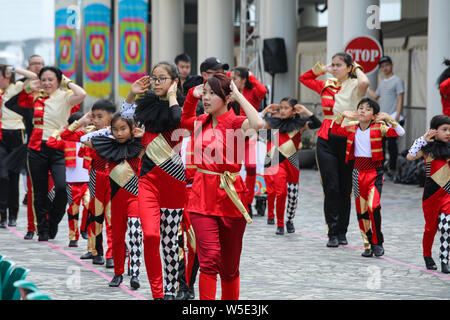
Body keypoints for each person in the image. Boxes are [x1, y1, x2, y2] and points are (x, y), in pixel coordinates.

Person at [180, 74, 264, 300]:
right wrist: (191, 95)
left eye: (211, 94)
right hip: (201, 198)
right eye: (204, 93)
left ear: (227, 97)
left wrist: (239, 96)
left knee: (229, 267)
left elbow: (257, 123)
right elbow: (184, 119)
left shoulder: (237, 124)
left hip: (231, 197)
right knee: (208, 261)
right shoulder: (200, 122)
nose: (205, 98)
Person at [121, 62, 186, 300]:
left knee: (170, 241)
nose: (157, 83)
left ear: (174, 81)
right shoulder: (145, 104)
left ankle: (171, 290)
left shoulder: (181, 105)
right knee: (150, 235)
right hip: (147, 179)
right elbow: (125, 119)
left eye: (162, 78)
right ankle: (157, 293)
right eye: (154, 79)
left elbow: (178, 120)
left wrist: (172, 96)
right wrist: (131, 92)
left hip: (175, 180)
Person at [299, 52, 370, 248]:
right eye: (334, 64)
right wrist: (323, 69)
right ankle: (332, 230)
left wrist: (356, 67)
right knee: (331, 186)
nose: (335, 68)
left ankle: (342, 231)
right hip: (326, 138)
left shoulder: (355, 84)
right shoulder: (326, 84)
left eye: (339, 65)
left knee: (345, 188)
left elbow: (365, 83)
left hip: (347, 138)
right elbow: (304, 78)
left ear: (349, 68)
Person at [16, 66, 86, 241]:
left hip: (59, 147)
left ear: (58, 81)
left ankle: (53, 222)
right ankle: (43, 229)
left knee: (62, 188)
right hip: (36, 147)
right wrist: (31, 85)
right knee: (39, 191)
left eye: (51, 80)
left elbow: (82, 94)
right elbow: (20, 101)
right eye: (44, 80)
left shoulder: (65, 97)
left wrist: (67, 81)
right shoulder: (35, 96)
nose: (47, 83)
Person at [331, 98, 405, 257]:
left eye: (368, 109)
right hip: (357, 173)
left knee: (373, 206)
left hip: (375, 173)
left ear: (374, 115)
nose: (363, 111)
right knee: (361, 210)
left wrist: (388, 119)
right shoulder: (351, 128)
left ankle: (377, 241)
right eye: (360, 108)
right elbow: (334, 130)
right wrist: (341, 115)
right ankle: (367, 243)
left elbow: (400, 132)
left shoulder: (380, 127)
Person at [82, 113, 145, 289]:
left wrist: (143, 135)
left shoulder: (139, 146)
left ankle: (134, 273)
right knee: (117, 238)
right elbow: (83, 138)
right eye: (115, 129)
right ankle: (118, 273)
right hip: (115, 199)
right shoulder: (107, 145)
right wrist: (105, 133)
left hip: (134, 196)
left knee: (134, 233)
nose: (119, 133)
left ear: (132, 129)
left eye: (123, 129)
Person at [260, 98, 321, 235]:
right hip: (277, 161)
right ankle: (279, 223)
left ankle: (289, 220)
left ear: (294, 110)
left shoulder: (299, 124)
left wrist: (305, 111)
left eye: (286, 108)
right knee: (280, 192)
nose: (282, 111)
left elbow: (317, 123)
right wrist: (264, 111)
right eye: (281, 108)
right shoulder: (272, 123)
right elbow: (256, 126)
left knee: (293, 196)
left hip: (292, 162)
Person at [71, 101, 115, 267]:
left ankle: (112, 254)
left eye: (99, 117)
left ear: (111, 118)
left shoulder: (117, 132)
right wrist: (81, 121)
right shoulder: (89, 133)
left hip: (114, 177)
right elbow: (67, 135)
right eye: (93, 117)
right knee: (96, 215)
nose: (95, 120)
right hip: (96, 177)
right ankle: (97, 251)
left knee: (111, 217)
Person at [406, 115, 450, 273]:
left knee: (446, 228)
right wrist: (422, 139)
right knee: (430, 229)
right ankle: (427, 255)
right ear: (434, 131)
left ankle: (445, 260)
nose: (448, 133)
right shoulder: (427, 150)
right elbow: (410, 156)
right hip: (431, 197)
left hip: (447, 195)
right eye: (444, 130)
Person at [0, 64, 38, 228]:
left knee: (14, 175)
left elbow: (33, 77)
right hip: (1, 133)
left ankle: (13, 214)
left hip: (17, 133)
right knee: (2, 176)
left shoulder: (16, 87)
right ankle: (2, 214)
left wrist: (14, 69)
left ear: (6, 76)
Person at [46, 112, 90, 248]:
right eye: (79, 125)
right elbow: (50, 142)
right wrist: (58, 131)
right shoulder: (66, 141)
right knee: (73, 210)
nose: (81, 128)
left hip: (88, 182)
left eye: (84, 125)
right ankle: (73, 237)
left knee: (90, 206)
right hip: (72, 182)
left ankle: (84, 228)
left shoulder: (89, 139)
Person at [228, 66, 268, 216]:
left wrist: (250, 75)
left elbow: (263, 91)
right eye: (231, 78)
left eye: (235, 78)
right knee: (231, 168)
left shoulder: (253, 91)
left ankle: (248, 202)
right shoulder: (229, 92)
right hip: (233, 135)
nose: (231, 81)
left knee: (251, 166)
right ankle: (233, 200)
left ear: (244, 80)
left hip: (250, 135)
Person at [368, 56, 405, 178]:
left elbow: (400, 99)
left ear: (392, 65)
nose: (385, 68)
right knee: (381, 143)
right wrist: (364, 86)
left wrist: (397, 117)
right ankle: (382, 167)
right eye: (382, 67)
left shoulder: (397, 80)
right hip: (382, 118)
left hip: (393, 116)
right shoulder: (382, 83)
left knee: (392, 144)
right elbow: (375, 96)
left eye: (387, 65)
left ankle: (392, 168)